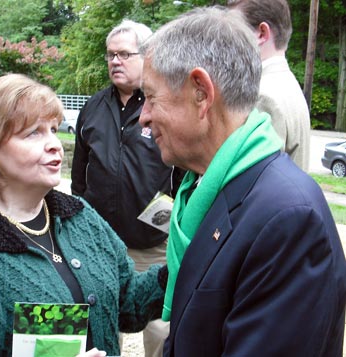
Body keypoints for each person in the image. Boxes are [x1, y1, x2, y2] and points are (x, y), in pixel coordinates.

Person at [0, 74, 166, 356]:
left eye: (53, 129)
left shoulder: (79, 218)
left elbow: (129, 303)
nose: (55, 143)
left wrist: (187, 261)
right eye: (33, 133)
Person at [139, 6, 346, 356]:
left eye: (150, 97)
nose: (143, 117)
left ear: (201, 93)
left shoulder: (287, 220)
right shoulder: (210, 190)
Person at [71, 19, 180, 357]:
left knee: (161, 331)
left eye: (123, 54)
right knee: (99, 324)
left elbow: (182, 173)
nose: (114, 61)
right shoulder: (93, 108)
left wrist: (162, 220)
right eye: (110, 55)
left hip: (153, 246)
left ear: (146, 56)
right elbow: (77, 176)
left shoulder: (163, 105)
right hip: (100, 244)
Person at [227, 0, 311, 171]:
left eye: (236, 31)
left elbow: (251, 179)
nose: (229, 41)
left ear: (261, 33)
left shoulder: (264, 96)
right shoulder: (287, 84)